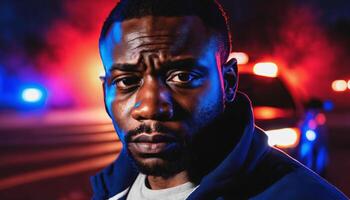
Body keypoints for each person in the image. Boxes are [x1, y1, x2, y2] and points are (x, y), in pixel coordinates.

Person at [90, 0, 348, 199]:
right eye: (126, 81)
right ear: (105, 92)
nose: (149, 106)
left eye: (182, 76)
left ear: (229, 82)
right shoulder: (110, 189)